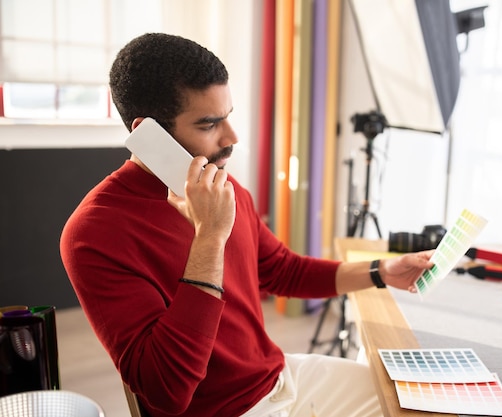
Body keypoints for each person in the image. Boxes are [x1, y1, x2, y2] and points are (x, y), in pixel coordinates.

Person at [60, 33, 434, 417]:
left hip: (279, 377)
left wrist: (381, 272)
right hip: (225, 411)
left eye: (228, 117)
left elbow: (282, 271)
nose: (232, 138)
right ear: (148, 134)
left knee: (418, 404)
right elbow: (167, 390)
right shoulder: (94, 232)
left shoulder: (222, 185)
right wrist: (209, 237)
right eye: (209, 125)